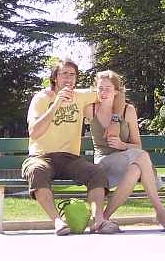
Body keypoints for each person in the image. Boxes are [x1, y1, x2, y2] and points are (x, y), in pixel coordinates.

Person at [22, 59, 121, 235]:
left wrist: (115, 121)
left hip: (70, 158)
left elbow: (115, 93)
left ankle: (98, 220)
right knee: (37, 171)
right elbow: (34, 132)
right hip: (41, 157)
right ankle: (58, 222)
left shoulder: (82, 96)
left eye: (72, 74)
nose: (68, 78)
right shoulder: (41, 98)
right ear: (54, 78)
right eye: (64, 74)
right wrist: (56, 104)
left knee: (96, 173)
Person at [86, 70, 165, 231]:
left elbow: (137, 145)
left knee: (136, 168)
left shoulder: (127, 111)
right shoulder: (90, 109)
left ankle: (104, 218)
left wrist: (122, 145)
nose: (103, 92)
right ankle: (160, 212)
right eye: (100, 88)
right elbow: (76, 96)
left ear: (116, 91)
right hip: (103, 164)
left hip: (127, 159)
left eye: (108, 89)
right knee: (142, 158)